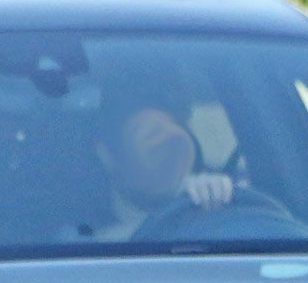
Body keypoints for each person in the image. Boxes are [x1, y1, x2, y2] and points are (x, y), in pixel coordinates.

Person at [78, 87, 239, 241]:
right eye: (149, 138)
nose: (166, 155)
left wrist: (217, 196)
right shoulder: (76, 237)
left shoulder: (210, 201)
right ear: (106, 155)